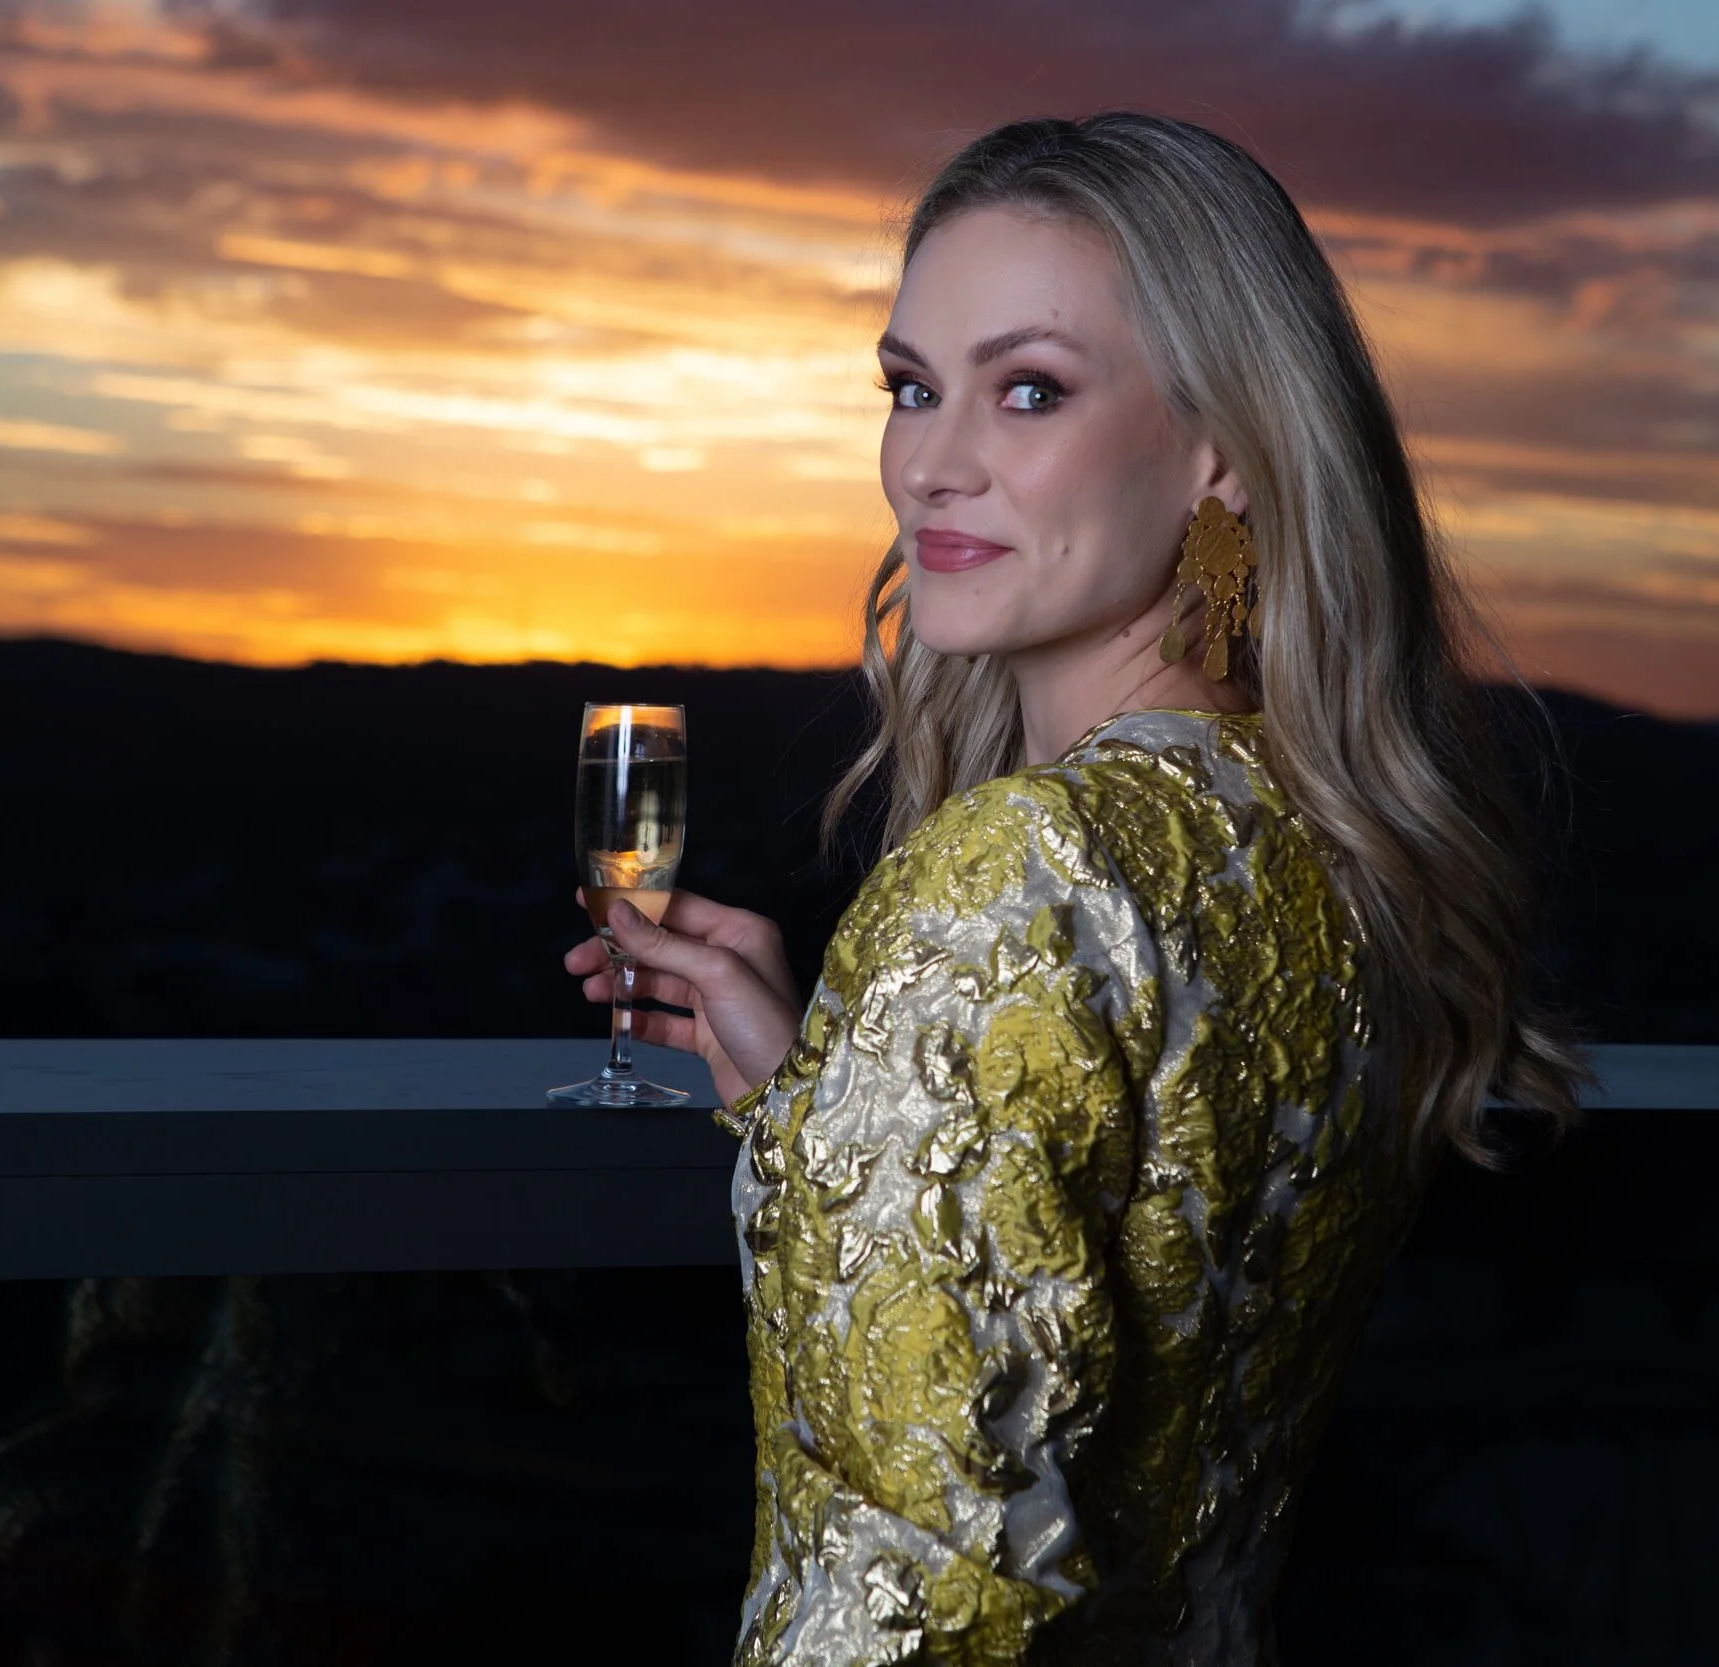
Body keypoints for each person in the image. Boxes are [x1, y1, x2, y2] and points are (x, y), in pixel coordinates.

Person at [564, 111, 1585, 1666]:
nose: (931, 459)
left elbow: (920, 1594)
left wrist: (910, 1032)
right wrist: (833, 1112)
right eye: (912, 387)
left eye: (1026, 388)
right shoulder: (1322, 850)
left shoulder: (1013, 887)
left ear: (1221, 445)